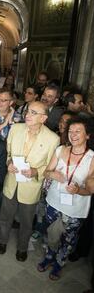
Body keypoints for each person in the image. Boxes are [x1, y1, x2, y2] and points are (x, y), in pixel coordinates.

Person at [0, 101, 60, 262]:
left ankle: (22, 248)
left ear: (43, 118)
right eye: (27, 111)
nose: (28, 115)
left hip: (31, 186)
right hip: (12, 182)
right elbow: (7, 151)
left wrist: (35, 171)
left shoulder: (53, 139)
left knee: (26, 221)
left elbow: (49, 165)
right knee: (5, 216)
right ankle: (2, 241)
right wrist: (9, 162)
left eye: (33, 113)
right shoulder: (16, 129)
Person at [37, 117, 94, 280]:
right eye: (70, 131)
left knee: (68, 239)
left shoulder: (91, 158)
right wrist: (52, 174)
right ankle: (49, 256)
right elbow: (46, 172)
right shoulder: (61, 150)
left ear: (88, 135)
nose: (73, 135)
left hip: (75, 209)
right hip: (53, 202)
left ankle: (59, 263)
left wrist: (78, 190)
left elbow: (91, 190)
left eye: (78, 131)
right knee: (49, 233)